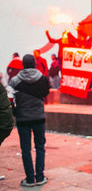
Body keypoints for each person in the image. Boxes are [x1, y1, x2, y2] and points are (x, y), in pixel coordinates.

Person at [8, 54, 50, 187]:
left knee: (25, 149)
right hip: (39, 117)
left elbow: (9, 98)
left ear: (23, 65)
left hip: (22, 119)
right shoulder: (42, 78)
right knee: (40, 147)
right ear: (35, 64)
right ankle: (40, 176)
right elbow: (45, 93)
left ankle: (30, 179)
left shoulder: (15, 80)